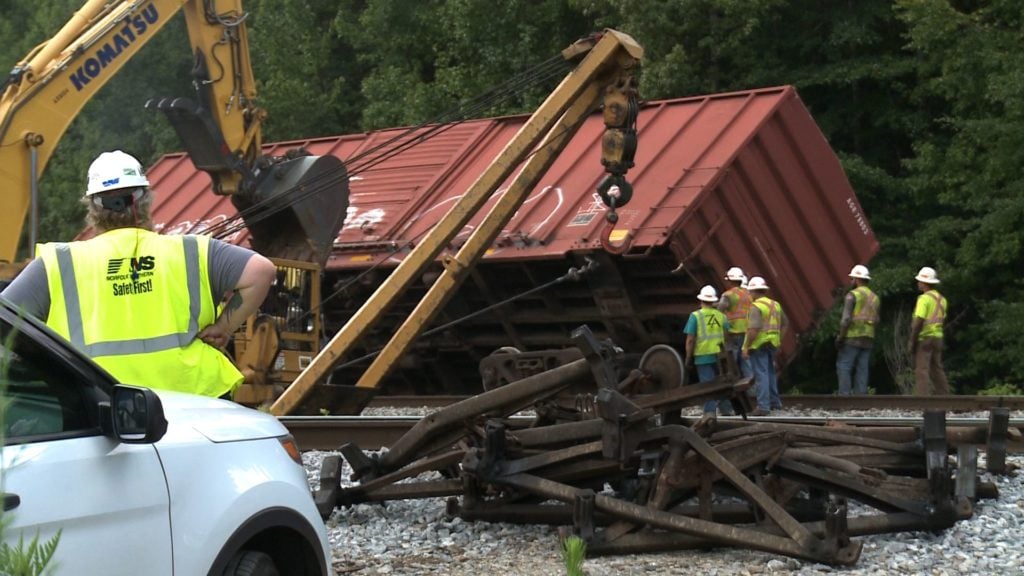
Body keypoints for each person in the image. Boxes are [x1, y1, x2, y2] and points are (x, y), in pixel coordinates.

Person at [1, 150, 276, 399]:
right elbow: (261, 272)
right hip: (194, 397)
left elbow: (6, 323)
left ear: (93, 207)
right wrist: (224, 327)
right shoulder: (192, 250)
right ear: (145, 199)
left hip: (102, 402)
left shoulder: (60, 263)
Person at [742, 276, 787, 416]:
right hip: (772, 343)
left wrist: (746, 347)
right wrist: (778, 339)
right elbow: (785, 323)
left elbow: (753, 329)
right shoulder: (775, 305)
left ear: (754, 292)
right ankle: (775, 403)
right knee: (770, 373)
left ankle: (763, 407)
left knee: (761, 375)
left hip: (759, 344)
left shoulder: (756, 307)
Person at [684, 285, 729, 418]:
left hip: (703, 355)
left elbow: (690, 339)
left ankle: (710, 412)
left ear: (701, 300)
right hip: (720, 355)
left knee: (708, 385)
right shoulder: (721, 316)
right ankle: (726, 409)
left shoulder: (695, 316)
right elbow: (727, 336)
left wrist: (688, 358)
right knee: (722, 382)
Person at [835, 264, 880, 395]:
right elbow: (877, 319)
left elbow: (846, 319)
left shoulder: (852, 295)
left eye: (852, 278)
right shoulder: (875, 297)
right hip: (868, 337)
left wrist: (840, 337)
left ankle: (845, 396)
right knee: (862, 368)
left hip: (852, 336)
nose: (851, 281)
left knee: (844, 366)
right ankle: (861, 398)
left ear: (857, 279)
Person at [908, 266, 949, 396]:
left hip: (925, 338)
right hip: (938, 337)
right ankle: (944, 396)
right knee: (937, 368)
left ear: (924, 283)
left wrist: (912, 341)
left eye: (920, 281)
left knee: (922, 369)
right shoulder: (942, 300)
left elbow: (918, 321)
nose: (918, 283)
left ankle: (922, 399)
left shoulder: (924, 299)